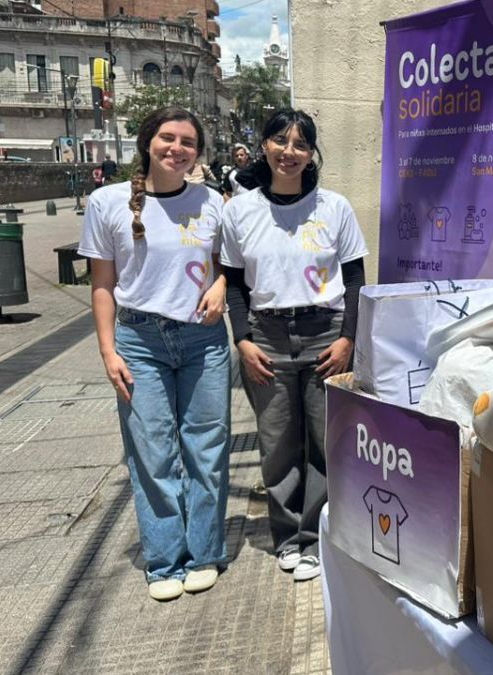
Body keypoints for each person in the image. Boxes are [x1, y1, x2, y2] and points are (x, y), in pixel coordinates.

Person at [78, 106, 230, 601]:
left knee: (206, 450)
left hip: (202, 339)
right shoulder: (107, 202)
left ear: (197, 152)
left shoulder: (212, 202)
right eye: (168, 138)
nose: (177, 149)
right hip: (139, 342)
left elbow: (226, 263)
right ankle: (165, 561)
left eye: (188, 141)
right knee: (151, 454)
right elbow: (102, 285)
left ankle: (205, 551)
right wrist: (108, 351)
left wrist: (222, 284)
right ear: (148, 142)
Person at [221, 109, 368, 582]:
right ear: (263, 145)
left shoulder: (334, 207)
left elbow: (355, 278)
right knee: (278, 444)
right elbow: (236, 284)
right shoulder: (239, 211)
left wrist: (348, 337)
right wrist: (241, 340)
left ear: (311, 154)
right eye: (280, 141)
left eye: (300, 144)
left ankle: (316, 538)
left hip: (325, 333)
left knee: (327, 444)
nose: (290, 152)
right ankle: (287, 538)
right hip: (266, 338)